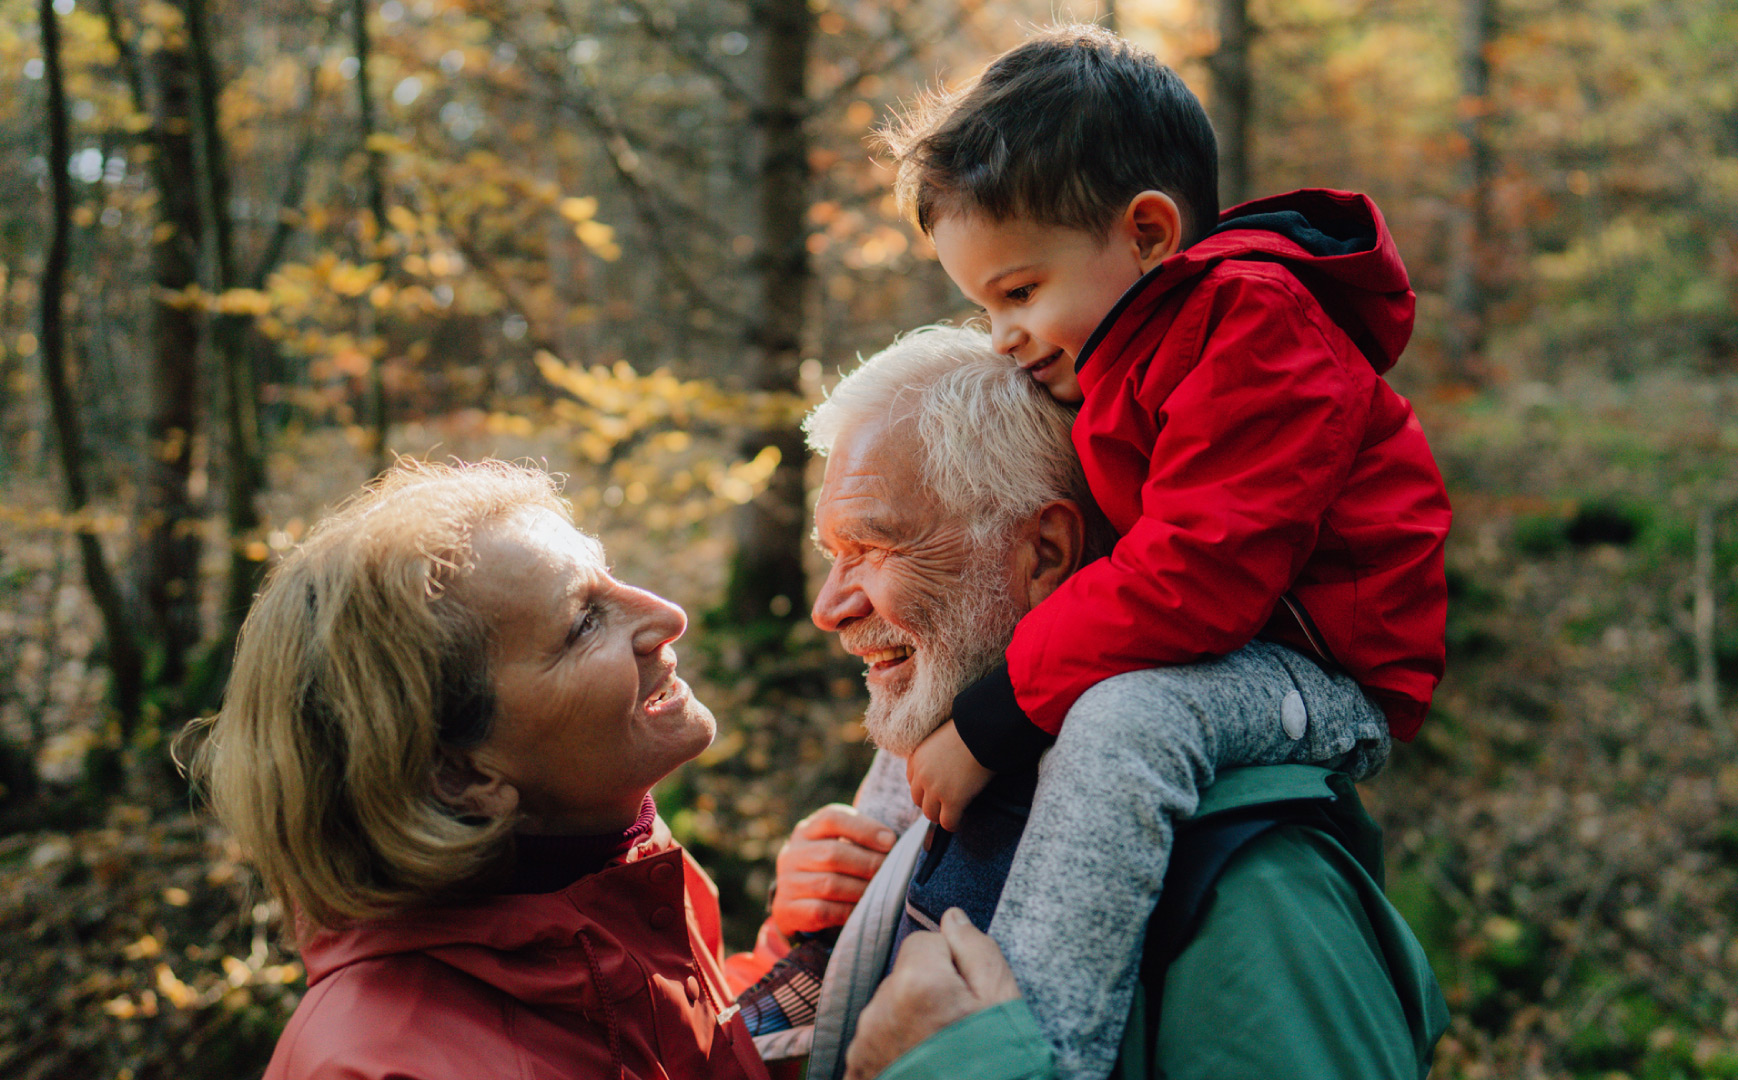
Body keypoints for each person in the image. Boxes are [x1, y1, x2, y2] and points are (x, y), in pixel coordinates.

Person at [858, 26, 1453, 1077]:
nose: (1002, 334)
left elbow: (1199, 579)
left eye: (1019, 292)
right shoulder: (1136, 352)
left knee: (1121, 715)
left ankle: (1051, 1040)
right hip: (1237, 649)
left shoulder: (1255, 324)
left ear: (1145, 234)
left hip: (1324, 677)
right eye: (981, 305)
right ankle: (849, 921)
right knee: (958, 660)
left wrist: (994, 722)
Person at [787, 326, 1447, 1080]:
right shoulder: (952, 787)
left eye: (872, 548)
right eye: (830, 556)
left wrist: (956, 1066)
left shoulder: (1254, 887)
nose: (828, 606)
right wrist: (804, 934)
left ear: (1044, 553)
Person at [183, 460, 770, 1080]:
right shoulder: (380, 1068)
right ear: (458, 777)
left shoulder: (618, 878)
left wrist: (801, 942)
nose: (668, 615)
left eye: (611, 576)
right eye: (583, 622)